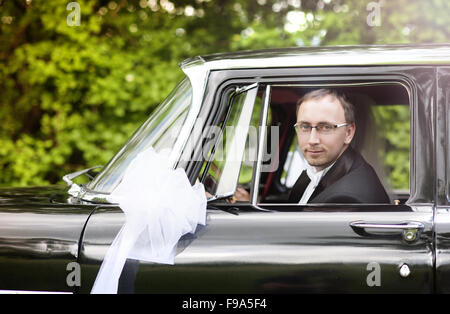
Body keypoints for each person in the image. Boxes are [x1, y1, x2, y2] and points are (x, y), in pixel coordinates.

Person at [288, 89, 389, 204]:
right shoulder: (317, 172)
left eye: (326, 127)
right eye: (305, 126)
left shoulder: (346, 199)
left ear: (348, 133)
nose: (312, 140)